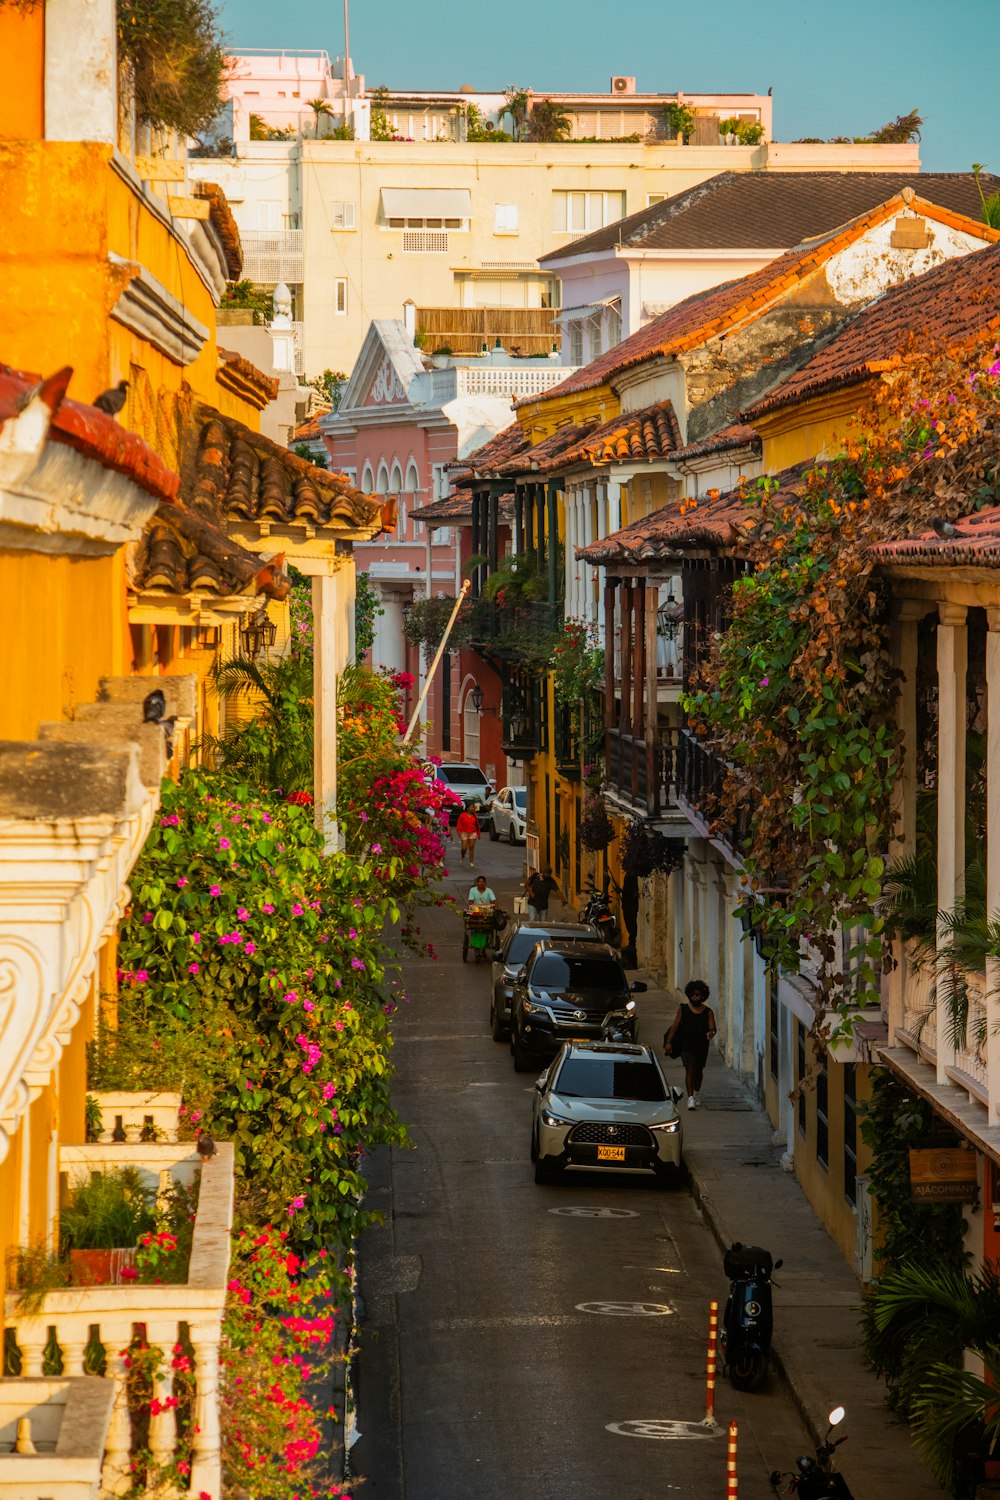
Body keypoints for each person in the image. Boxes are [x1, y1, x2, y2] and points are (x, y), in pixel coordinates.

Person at [663, 980, 717, 1111]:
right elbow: (675, 1026)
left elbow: (713, 1028)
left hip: (701, 1046)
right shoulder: (683, 1009)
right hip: (686, 1045)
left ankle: (697, 1092)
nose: (695, 998)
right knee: (690, 1069)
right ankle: (690, 1098)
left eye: (698, 995)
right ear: (689, 996)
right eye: (693, 995)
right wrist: (668, 1042)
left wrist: (711, 1033)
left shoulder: (708, 1012)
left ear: (703, 996)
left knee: (698, 1070)